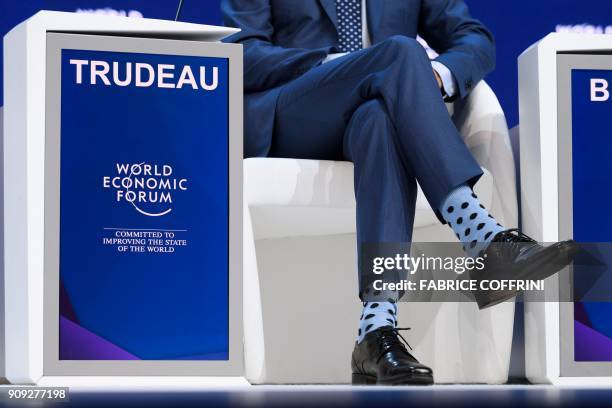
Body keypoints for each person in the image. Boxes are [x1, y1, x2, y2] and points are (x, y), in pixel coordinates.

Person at [222, 0, 578, 385]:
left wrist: (439, 75)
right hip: (296, 109)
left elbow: (473, 37)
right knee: (400, 51)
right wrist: (340, 63)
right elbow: (244, 51)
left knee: (377, 116)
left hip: (378, 110)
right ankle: (480, 234)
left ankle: (375, 330)